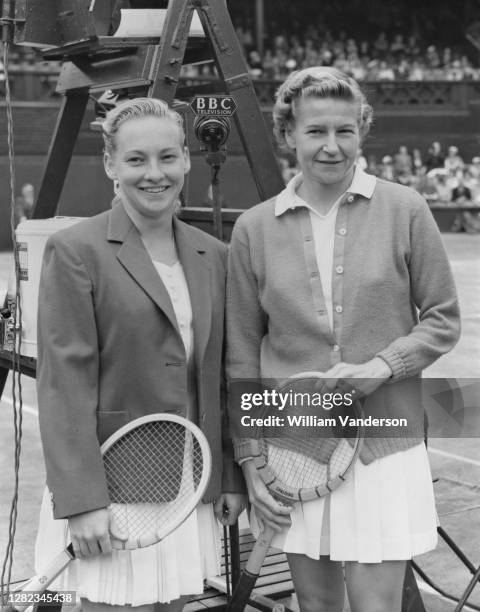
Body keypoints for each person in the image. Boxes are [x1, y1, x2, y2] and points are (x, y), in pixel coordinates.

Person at [226, 67, 460, 612]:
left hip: (384, 444)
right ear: (289, 135)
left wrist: (380, 367)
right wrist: (250, 456)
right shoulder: (253, 229)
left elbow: (443, 318)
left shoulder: (405, 208)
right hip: (294, 448)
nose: (332, 147)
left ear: (362, 131)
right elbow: (241, 352)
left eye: (345, 131)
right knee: (317, 606)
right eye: (315, 132)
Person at [35, 97, 245, 612]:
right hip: (111, 487)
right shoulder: (74, 250)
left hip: (188, 486)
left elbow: (221, 379)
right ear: (110, 165)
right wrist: (83, 503)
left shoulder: (214, 255)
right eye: (136, 160)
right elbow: (65, 385)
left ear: (187, 160)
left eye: (168, 157)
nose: (155, 173)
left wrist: (229, 479)